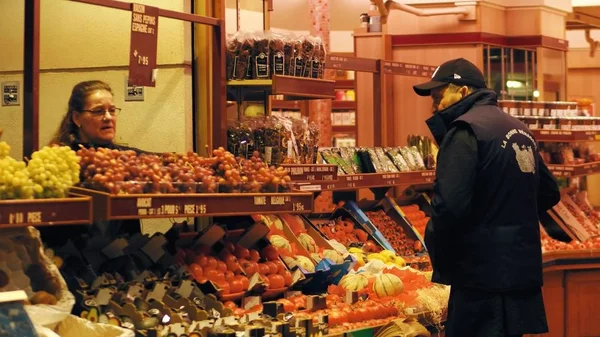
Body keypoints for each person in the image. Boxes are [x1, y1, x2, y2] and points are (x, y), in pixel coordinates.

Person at [413, 58, 561, 337]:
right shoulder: (520, 129)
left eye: (438, 96)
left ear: (463, 92)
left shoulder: (464, 131)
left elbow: (449, 207)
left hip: (480, 278)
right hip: (520, 273)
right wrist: (507, 214)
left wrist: (437, 253)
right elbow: (549, 192)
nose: (435, 106)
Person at [50, 80, 143, 154]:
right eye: (98, 111)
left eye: (112, 110)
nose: (108, 117)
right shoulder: (62, 160)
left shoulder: (128, 157)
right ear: (77, 118)